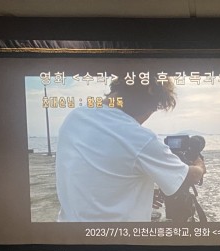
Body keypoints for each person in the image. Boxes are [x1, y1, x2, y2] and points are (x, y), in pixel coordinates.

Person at [55, 77, 206, 222]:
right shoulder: (140, 138)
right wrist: (199, 163)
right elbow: (189, 176)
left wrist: (141, 193)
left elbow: (93, 175)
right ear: (149, 98)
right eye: (154, 109)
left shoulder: (75, 117)